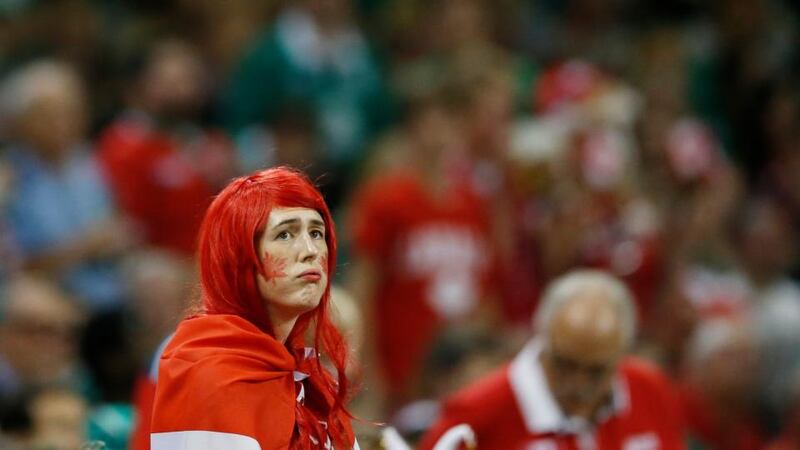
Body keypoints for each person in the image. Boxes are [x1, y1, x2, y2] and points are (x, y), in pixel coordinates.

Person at [150, 167, 358, 450]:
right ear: (238, 257)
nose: (310, 249)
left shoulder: (310, 380)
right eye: (285, 234)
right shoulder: (210, 374)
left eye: (317, 232)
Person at [419, 270, 685, 450]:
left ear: (622, 354)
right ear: (542, 337)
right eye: (564, 364)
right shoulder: (478, 413)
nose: (577, 384)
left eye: (596, 371)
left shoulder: (649, 390)